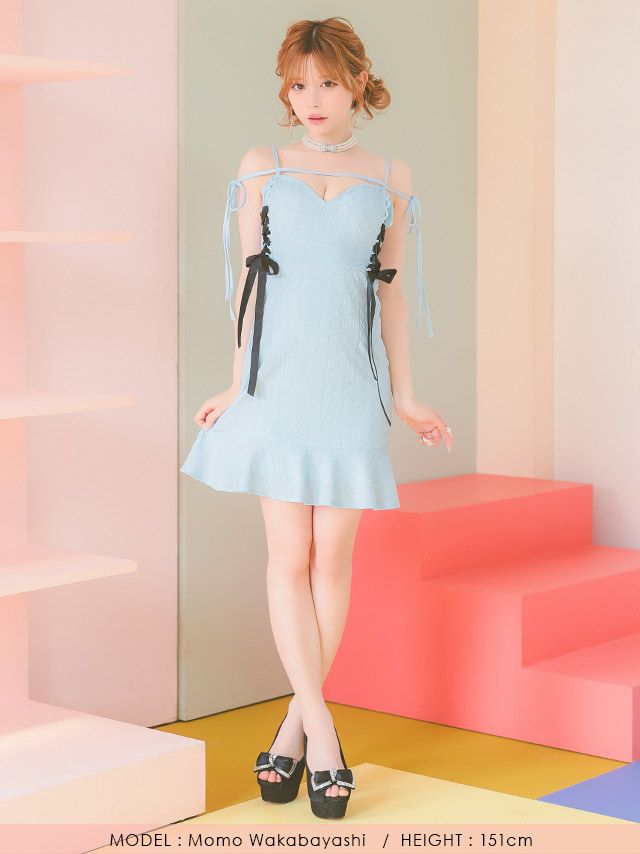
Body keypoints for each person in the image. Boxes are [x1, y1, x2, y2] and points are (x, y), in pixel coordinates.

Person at [180, 16, 453, 819]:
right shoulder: (260, 166)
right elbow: (249, 285)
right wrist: (236, 382)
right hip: (275, 389)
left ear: (358, 83)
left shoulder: (392, 176)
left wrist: (406, 396)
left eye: (328, 83)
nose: (312, 99)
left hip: (350, 390)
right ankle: (324, 738)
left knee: (332, 562)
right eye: (298, 85)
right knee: (287, 558)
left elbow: (391, 297)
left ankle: (292, 732)